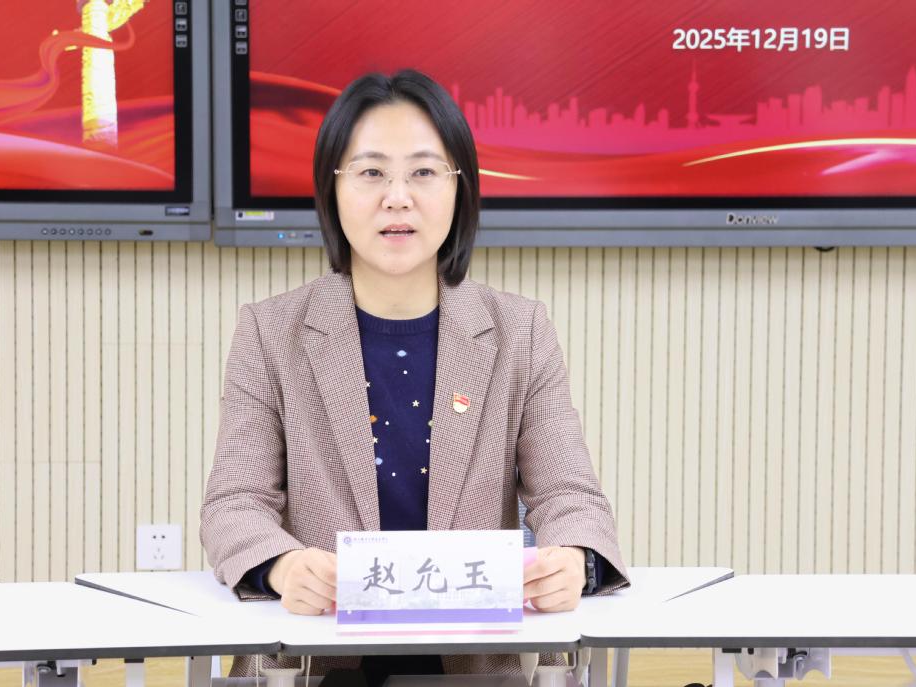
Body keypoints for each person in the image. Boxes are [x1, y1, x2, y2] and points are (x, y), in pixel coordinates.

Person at [200, 69, 629, 683]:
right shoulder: (272, 332)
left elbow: (570, 496)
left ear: (460, 188)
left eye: (424, 172)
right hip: (314, 657)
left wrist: (575, 559)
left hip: (474, 665)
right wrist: (281, 567)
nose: (397, 198)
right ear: (332, 187)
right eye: (371, 172)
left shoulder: (520, 330)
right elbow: (235, 503)